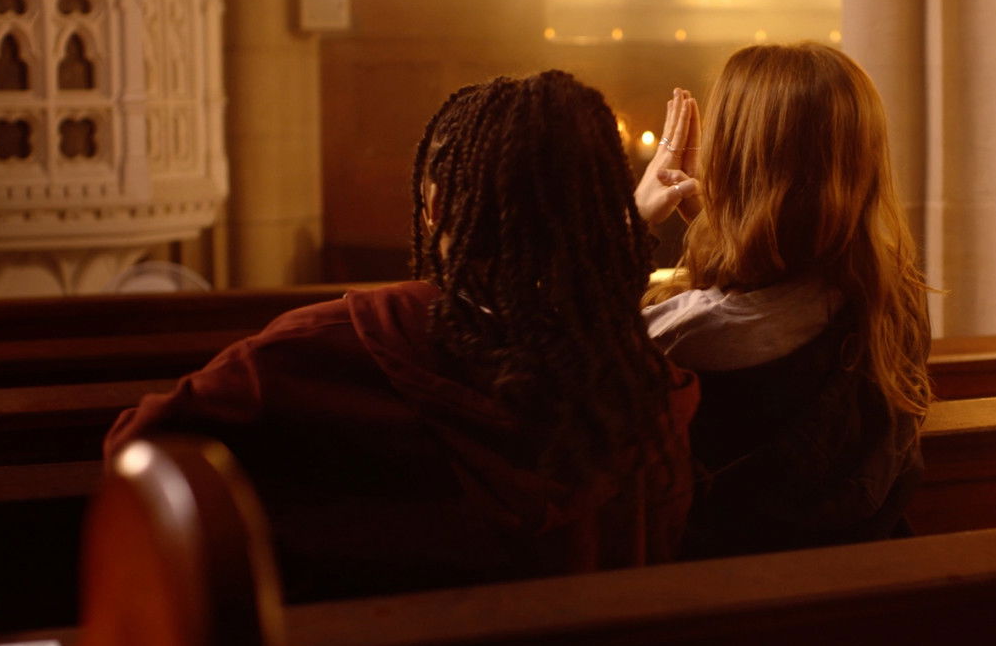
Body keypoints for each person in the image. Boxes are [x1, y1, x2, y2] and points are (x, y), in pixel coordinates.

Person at [106, 71, 698, 601]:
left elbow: (140, 452)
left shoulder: (329, 347)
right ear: (595, 213)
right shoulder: (642, 388)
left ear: (434, 205)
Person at [635, 43, 932, 558]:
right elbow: (787, 289)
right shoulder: (891, 305)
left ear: (732, 163)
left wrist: (634, 219)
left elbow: (579, 361)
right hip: (866, 581)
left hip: (713, 595)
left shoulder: (679, 340)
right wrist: (723, 225)